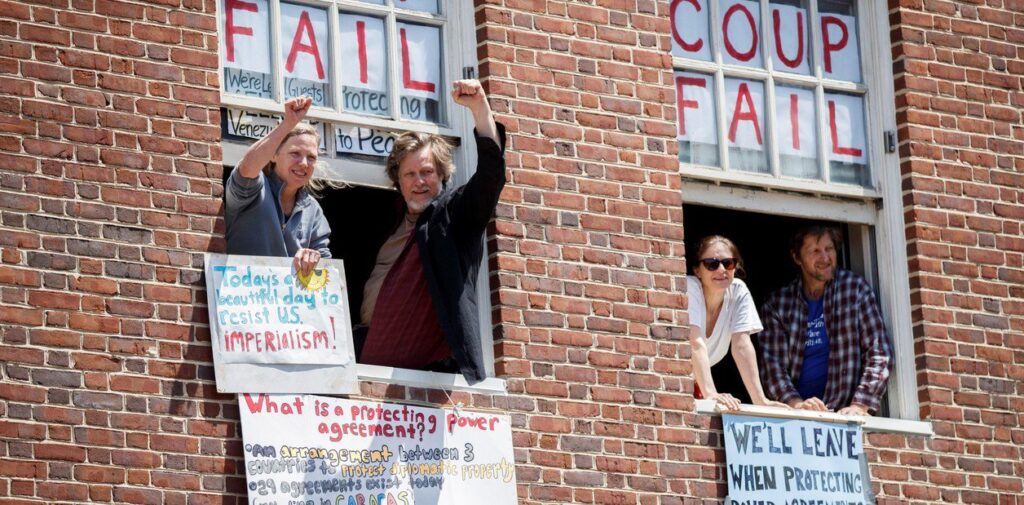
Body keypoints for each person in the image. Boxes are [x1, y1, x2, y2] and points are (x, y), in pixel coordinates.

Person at [357, 79, 505, 383]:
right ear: (398, 181)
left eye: (427, 172)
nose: (419, 181)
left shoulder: (454, 215)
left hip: (429, 377)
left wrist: (479, 108)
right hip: (369, 362)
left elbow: (490, 177)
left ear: (442, 175)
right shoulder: (387, 224)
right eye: (410, 174)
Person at [759, 224, 893, 416]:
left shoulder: (855, 290)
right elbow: (772, 366)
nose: (825, 257)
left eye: (829, 249)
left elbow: (880, 352)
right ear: (797, 257)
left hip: (842, 415)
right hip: (796, 417)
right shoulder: (778, 304)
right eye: (815, 251)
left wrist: (860, 405)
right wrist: (796, 404)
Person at [225, 96, 330, 276]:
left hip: (288, 301)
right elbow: (247, 168)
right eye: (295, 153)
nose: (304, 163)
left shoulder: (313, 210)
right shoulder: (255, 188)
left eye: (311, 157)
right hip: (240, 298)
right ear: (273, 156)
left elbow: (327, 266)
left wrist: (313, 258)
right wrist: (287, 124)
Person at [688, 236, 787, 411]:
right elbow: (695, 343)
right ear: (697, 270)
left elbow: (741, 346)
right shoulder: (690, 287)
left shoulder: (738, 291)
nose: (721, 269)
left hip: (693, 384)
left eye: (728, 263)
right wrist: (711, 393)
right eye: (711, 263)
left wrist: (760, 401)